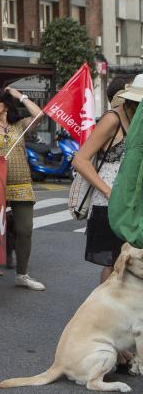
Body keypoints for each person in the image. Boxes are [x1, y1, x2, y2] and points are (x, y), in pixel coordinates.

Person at [0, 87, 47, 291]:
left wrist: (19, 95)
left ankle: (22, 275)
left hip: (21, 182)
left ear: (5, 105)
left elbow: (39, 115)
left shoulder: (19, 125)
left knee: (25, 230)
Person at [73, 75, 140, 284]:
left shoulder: (137, 119)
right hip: (108, 202)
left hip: (130, 203)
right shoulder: (112, 119)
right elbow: (81, 160)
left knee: (129, 261)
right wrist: (109, 192)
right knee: (113, 264)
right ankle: (103, 311)